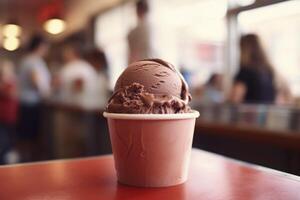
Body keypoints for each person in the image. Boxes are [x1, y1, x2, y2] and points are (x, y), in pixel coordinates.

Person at [18, 34, 51, 161]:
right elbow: (36, 81)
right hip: (30, 104)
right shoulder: (33, 60)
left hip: (26, 103)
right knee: (30, 137)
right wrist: (47, 93)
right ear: (40, 46)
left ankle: (26, 162)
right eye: (45, 46)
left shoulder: (28, 60)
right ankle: (27, 164)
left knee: (27, 136)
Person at [230, 34, 277, 104]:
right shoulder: (269, 71)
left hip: (248, 114)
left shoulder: (245, 72)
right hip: (266, 113)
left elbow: (235, 98)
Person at [58, 41, 98, 108]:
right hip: (68, 104)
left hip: (78, 106)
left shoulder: (82, 67)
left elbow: (80, 84)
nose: (64, 55)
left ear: (74, 53)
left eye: (66, 52)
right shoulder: (68, 66)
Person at [0, 60, 18, 164]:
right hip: (2, 117)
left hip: (9, 116)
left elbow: (12, 94)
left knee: (9, 140)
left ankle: (9, 159)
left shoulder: (12, 83)